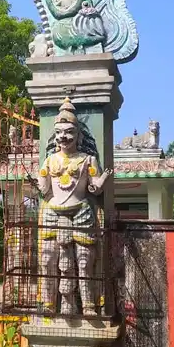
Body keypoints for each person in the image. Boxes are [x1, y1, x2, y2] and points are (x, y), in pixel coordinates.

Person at [36, 97, 112, 315]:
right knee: (48, 259)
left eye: (69, 132)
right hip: (52, 211)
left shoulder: (88, 160)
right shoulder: (50, 161)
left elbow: (94, 189)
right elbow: (44, 188)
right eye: (59, 132)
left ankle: (89, 305)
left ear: (79, 135)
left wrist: (101, 180)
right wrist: (38, 182)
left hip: (81, 211)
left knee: (85, 261)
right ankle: (49, 303)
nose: (63, 137)